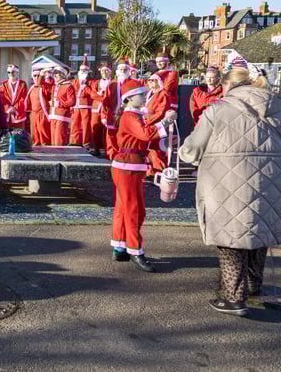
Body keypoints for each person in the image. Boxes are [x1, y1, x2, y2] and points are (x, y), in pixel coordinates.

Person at [179, 52, 281, 316]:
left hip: (225, 186)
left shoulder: (218, 110)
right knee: (259, 233)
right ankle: (254, 285)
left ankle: (235, 297)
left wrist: (185, 154)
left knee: (231, 240)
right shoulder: (277, 108)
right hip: (270, 183)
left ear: (229, 86)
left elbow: (191, 149)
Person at [111, 82, 176, 272]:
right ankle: (135, 250)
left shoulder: (132, 115)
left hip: (129, 165)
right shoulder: (130, 116)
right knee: (134, 209)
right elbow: (145, 135)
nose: (145, 97)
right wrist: (166, 121)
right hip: (128, 167)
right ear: (130, 98)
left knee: (123, 208)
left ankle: (120, 246)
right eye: (141, 94)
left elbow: (140, 140)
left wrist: (164, 142)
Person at [101, 57, 134, 159]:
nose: (123, 71)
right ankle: (111, 156)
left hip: (126, 116)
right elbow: (105, 101)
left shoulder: (132, 83)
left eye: (125, 69)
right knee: (111, 137)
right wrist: (103, 115)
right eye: (121, 69)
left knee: (124, 136)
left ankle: (122, 156)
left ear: (129, 70)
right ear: (117, 70)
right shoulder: (112, 84)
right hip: (112, 114)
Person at [143, 73, 170, 176]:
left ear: (159, 82)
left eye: (153, 80)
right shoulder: (149, 93)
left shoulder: (163, 94)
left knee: (157, 149)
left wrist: (148, 120)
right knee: (149, 149)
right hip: (148, 124)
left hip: (157, 125)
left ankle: (159, 171)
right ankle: (150, 171)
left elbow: (161, 112)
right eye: (149, 80)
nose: (150, 82)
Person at [71, 56, 94, 148]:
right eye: (81, 70)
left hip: (86, 105)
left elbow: (92, 93)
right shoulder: (75, 81)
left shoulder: (91, 82)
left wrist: (85, 87)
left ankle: (86, 142)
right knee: (75, 123)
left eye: (85, 70)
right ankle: (75, 141)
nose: (83, 72)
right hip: (76, 105)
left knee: (86, 125)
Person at [25, 65, 51, 146]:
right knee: (35, 135)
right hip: (33, 114)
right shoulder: (31, 88)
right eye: (35, 76)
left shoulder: (44, 86)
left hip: (43, 114)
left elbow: (46, 89)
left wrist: (42, 76)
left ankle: (46, 150)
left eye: (38, 76)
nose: (36, 77)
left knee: (44, 135)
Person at [90, 64, 112, 157]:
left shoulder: (113, 82)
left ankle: (108, 151)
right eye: (102, 71)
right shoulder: (97, 82)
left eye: (106, 71)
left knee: (108, 131)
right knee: (95, 129)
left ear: (110, 72)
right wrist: (103, 98)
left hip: (107, 109)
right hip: (96, 109)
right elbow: (92, 94)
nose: (104, 73)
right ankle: (96, 148)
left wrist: (104, 98)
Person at [49, 67, 75, 145]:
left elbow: (72, 102)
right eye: (54, 74)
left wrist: (58, 104)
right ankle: (54, 157)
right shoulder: (54, 86)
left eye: (57, 73)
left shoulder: (68, 86)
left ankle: (61, 157)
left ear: (63, 75)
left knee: (59, 140)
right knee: (53, 140)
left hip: (62, 116)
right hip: (53, 115)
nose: (55, 76)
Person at [0, 64, 28, 129]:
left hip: (18, 113)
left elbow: (24, 98)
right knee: (7, 135)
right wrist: (8, 108)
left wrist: (15, 108)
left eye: (13, 72)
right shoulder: (3, 85)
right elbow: (1, 98)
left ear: (17, 72)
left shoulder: (22, 84)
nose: (11, 74)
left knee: (19, 135)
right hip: (7, 114)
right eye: (8, 72)